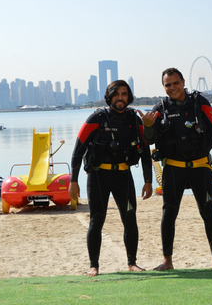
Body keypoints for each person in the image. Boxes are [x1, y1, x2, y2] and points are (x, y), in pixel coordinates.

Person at [138, 67, 212, 270]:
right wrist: (148, 126)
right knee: (169, 213)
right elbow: (150, 140)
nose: (172, 88)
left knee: (208, 211)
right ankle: (167, 261)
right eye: (167, 85)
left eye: (175, 83)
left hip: (201, 167)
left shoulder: (200, 103)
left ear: (183, 82)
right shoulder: (159, 107)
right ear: (163, 87)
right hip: (173, 169)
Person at [69, 79, 153, 276]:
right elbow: (77, 150)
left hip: (124, 175)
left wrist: (148, 181)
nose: (120, 98)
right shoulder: (96, 118)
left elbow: (146, 152)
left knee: (130, 219)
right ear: (109, 97)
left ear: (128, 97)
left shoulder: (134, 119)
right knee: (96, 220)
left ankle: (132, 262)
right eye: (116, 94)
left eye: (124, 94)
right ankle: (94, 265)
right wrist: (74, 180)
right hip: (99, 177)